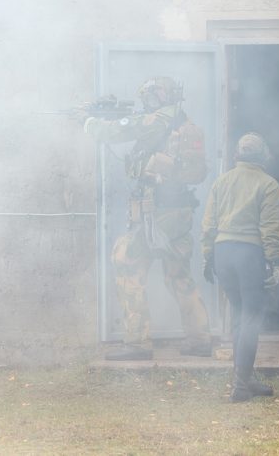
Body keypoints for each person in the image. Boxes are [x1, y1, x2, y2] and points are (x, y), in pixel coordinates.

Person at [84, 76, 212, 361]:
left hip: (159, 213)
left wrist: (89, 122)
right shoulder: (182, 121)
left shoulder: (159, 120)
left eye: (154, 94)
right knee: (178, 275)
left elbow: (117, 131)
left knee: (125, 261)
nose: (150, 99)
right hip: (178, 212)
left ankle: (137, 342)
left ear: (163, 96)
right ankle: (200, 339)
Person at [201, 132, 279, 402]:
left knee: (238, 315)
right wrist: (275, 262)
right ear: (264, 156)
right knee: (250, 317)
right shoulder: (268, 184)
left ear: (237, 154)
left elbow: (209, 224)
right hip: (250, 255)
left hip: (222, 253)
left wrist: (208, 256)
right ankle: (240, 384)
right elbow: (271, 228)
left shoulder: (222, 181)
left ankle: (245, 379)